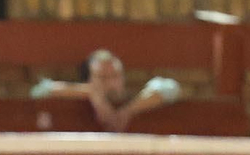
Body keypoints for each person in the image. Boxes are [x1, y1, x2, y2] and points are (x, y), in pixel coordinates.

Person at [31, 49, 182, 133]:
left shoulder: (135, 98)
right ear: (90, 80)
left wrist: (127, 111)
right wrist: (91, 94)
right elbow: (38, 90)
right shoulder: (86, 92)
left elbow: (171, 88)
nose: (110, 82)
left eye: (115, 76)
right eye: (102, 77)